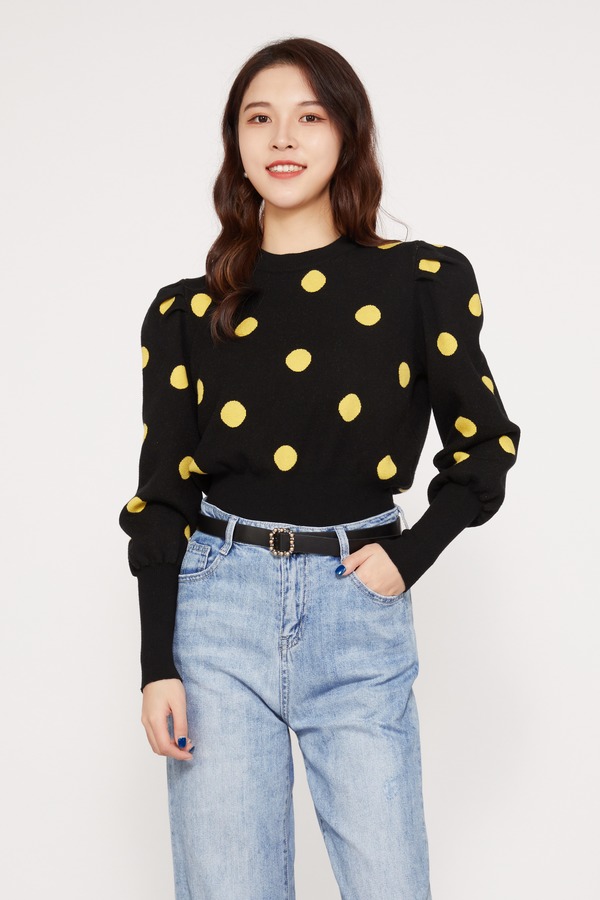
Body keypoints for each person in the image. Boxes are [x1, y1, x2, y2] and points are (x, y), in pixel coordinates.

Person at [118, 36, 520, 900]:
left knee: (389, 883)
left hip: (356, 606)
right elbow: (162, 497)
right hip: (217, 612)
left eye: (309, 116)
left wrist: (410, 556)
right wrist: (156, 664)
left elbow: (484, 445)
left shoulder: (421, 282)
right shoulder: (185, 312)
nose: (282, 137)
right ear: (235, 143)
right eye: (258, 118)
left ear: (347, 134)